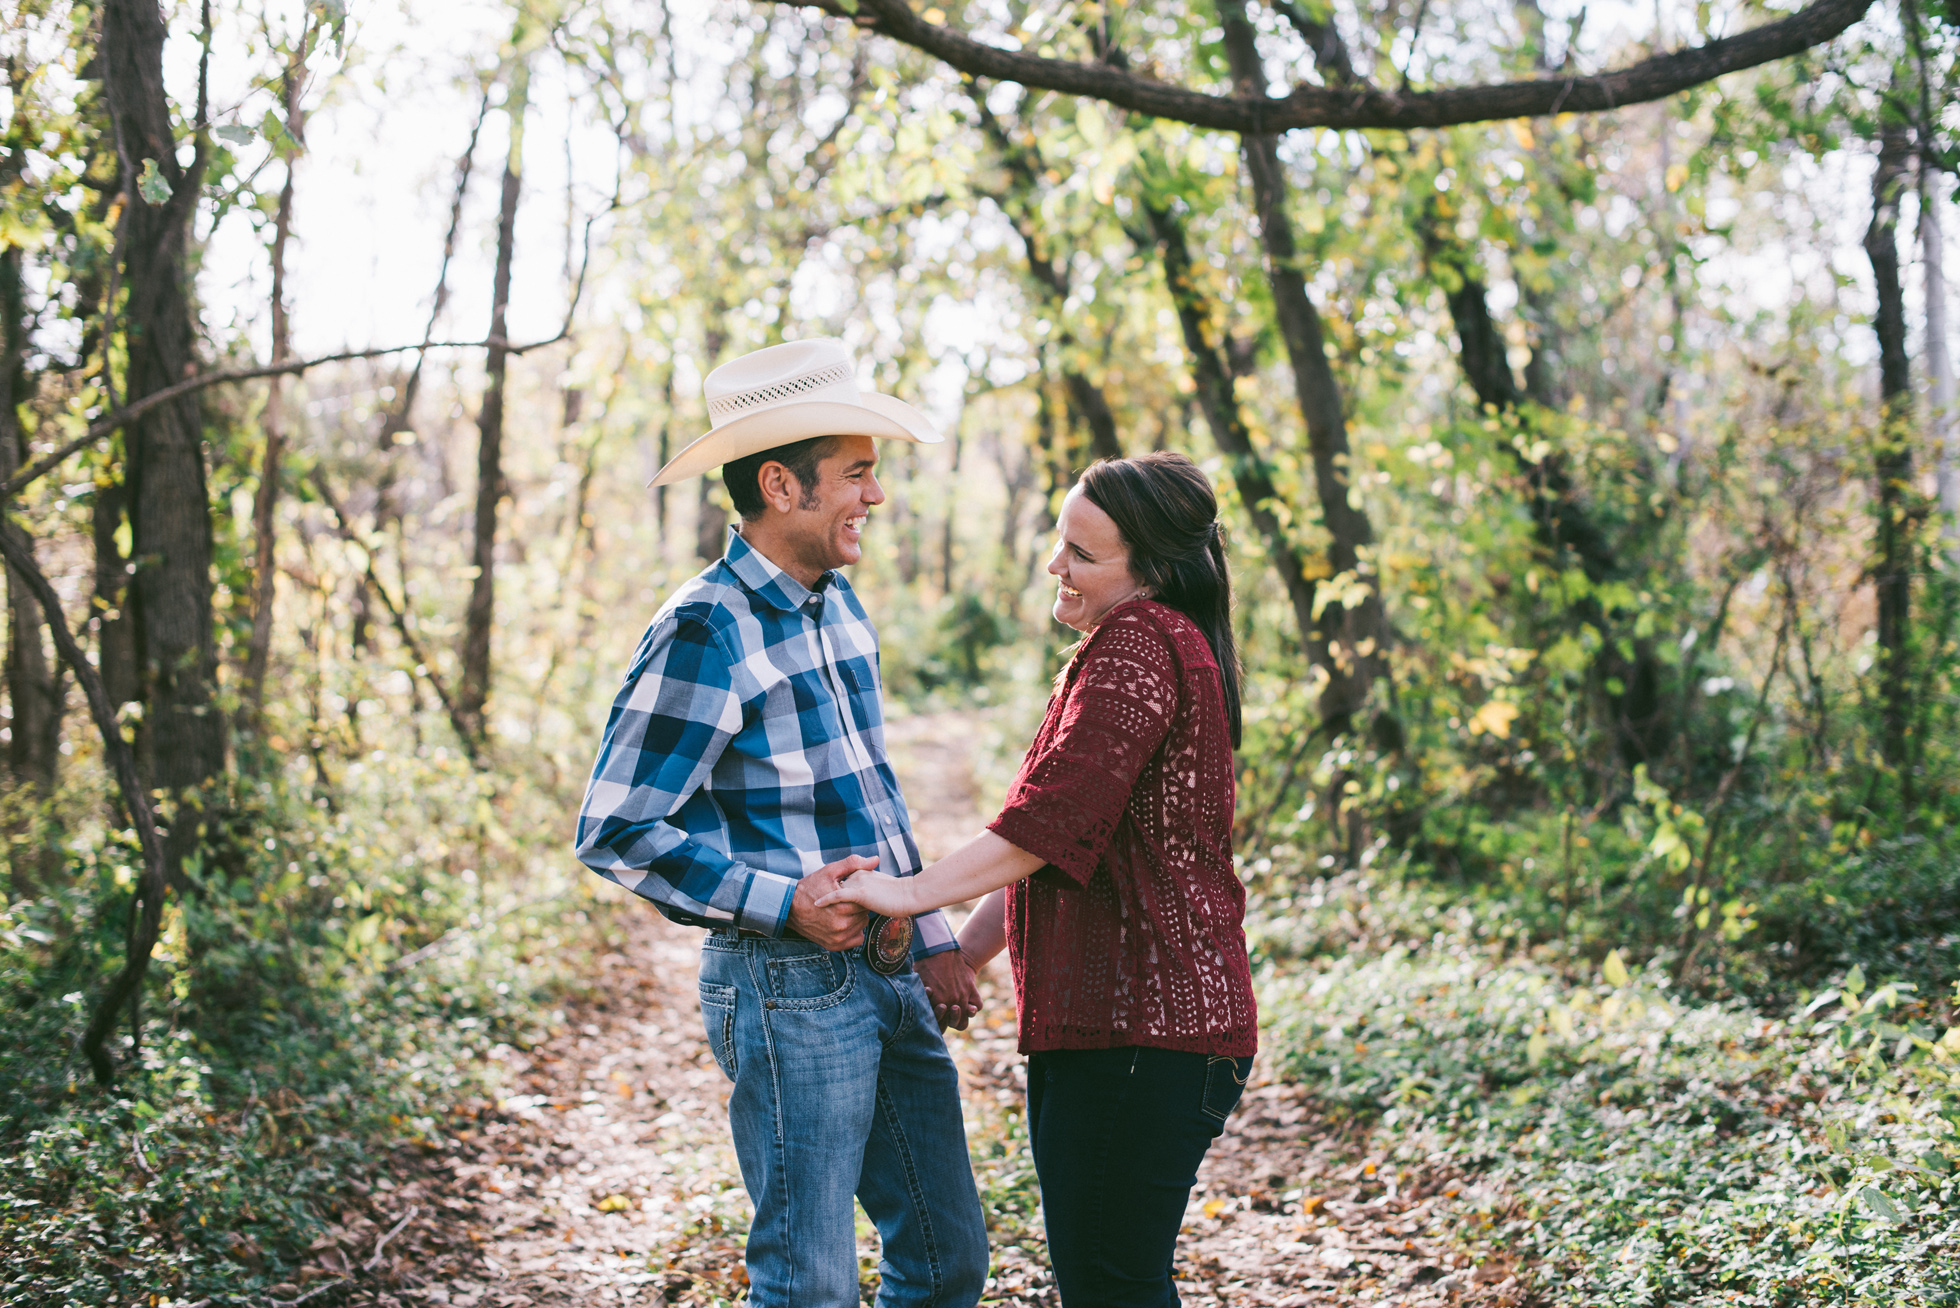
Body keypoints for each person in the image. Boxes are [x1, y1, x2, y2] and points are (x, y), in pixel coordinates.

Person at [573, 337, 988, 1308]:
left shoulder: (838, 605)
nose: (875, 495)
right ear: (780, 485)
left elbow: (873, 794)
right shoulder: (705, 628)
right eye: (856, 473)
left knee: (947, 1260)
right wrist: (783, 902)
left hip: (890, 968)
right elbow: (616, 826)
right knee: (809, 1284)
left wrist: (931, 938)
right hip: (787, 989)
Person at [819, 451, 1258, 1308]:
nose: (1056, 565)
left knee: (1113, 1288)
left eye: (1083, 554)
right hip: (1129, 1033)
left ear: (1154, 571)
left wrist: (905, 894)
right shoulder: (1141, 644)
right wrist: (965, 954)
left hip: (1143, 1035)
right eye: (1060, 541)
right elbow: (1063, 844)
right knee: (1110, 1282)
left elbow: (1050, 821)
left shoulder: (1139, 642)